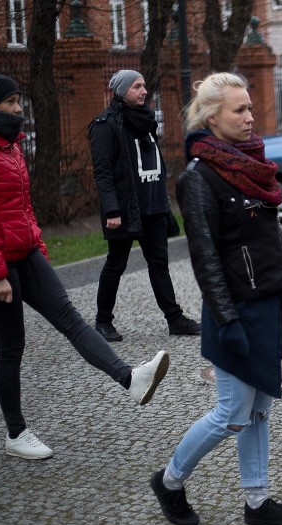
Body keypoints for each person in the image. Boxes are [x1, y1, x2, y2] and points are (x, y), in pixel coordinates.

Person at [0, 73, 169, 461]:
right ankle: (16, 433)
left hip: (26, 255)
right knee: (10, 348)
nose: (19, 109)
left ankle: (131, 379)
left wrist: (37, 245)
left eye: (19, 100)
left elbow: (22, 206)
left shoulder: (11, 147)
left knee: (72, 319)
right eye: (11, 103)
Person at [150, 72, 282, 525]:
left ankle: (257, 501)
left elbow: (272, 243)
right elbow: (205, 260)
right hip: (235, 310)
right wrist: (227, 320)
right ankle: (170, 479)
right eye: (238, 110)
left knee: (259, 408)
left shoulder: (253, 164)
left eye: (249, 108)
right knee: (231, 413)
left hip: (269, 301)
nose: (249, 116)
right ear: (211, 117)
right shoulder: (199, 179)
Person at [89, 69, 200, 342]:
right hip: (125, 209)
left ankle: (174, 319)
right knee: (116, 264)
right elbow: (102, 173)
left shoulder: (146, 119)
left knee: (159, 264)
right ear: (121, 90)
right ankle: (103, 321)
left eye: (144, 85)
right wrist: (112, 210)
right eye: (137, 86)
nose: (144, 91)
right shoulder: (105, 125)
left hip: (153, 206)